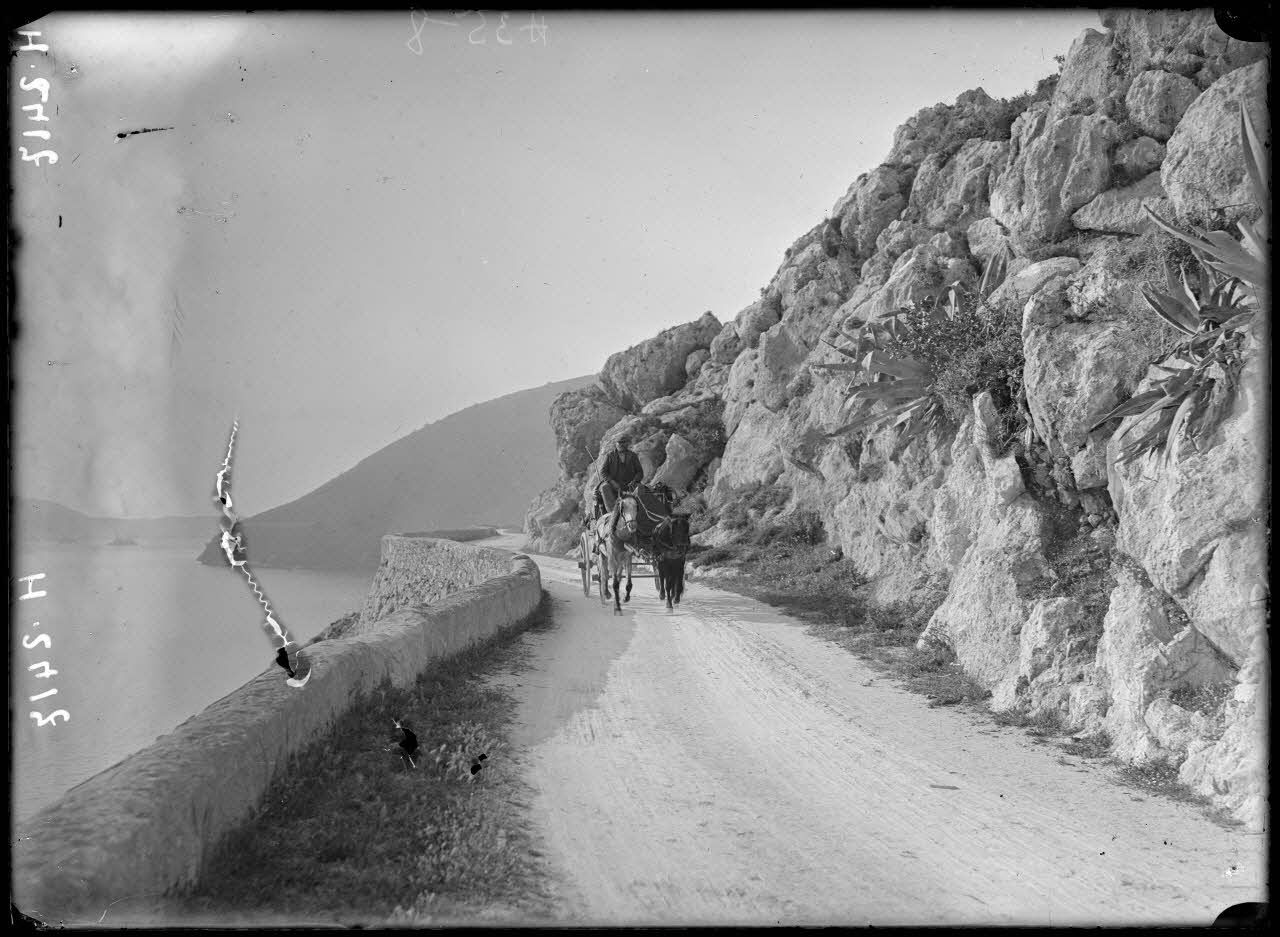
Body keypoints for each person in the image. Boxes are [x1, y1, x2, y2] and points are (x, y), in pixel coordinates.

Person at [599, 434, 644, 539]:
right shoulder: (610, 456)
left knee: (642, 488)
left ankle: (641, 513)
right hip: (614, 485)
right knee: (604, 487)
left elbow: (640, 472)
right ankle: (612, 513)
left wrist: (634, 481)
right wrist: (612, 482)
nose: (621, 445)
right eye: (619, 443)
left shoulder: (633, 456)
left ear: (627, 444)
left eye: (623, 443)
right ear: (616, 444)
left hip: (630, 484)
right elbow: (603, 472)